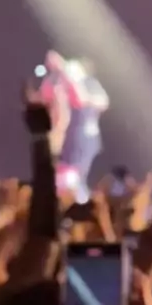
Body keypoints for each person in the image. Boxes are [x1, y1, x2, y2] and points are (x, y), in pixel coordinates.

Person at [39, 52, 109, 202]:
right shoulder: (63, 85)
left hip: (82, 143)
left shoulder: (89, 86)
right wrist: (54, 76)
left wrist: (64, 69)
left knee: (70, 180)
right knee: (62, 180)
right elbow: (45, 96)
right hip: (66, 142)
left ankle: (83, 207)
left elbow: (81, 99)